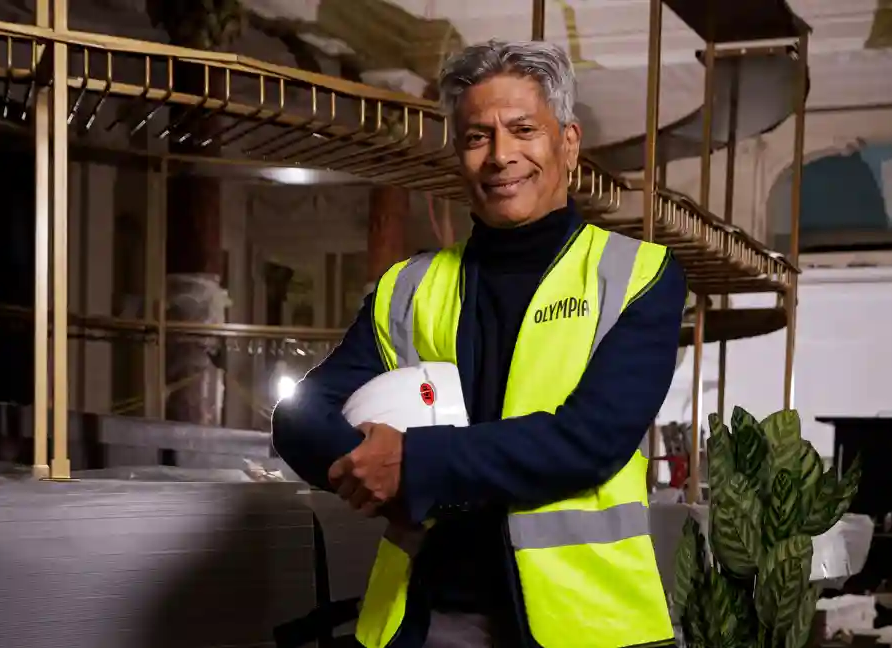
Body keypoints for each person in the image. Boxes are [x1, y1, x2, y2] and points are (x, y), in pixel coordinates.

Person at [272, 39, 686, 648]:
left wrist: (414, 465)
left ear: (568, 144)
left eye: (523, 129)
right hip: (431, 617)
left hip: (585, 625)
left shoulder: (635, 276)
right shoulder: (410, 288)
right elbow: (300, 415)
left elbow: (590, 438)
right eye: (476, 137)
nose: (501, 155)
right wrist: (373, 473)